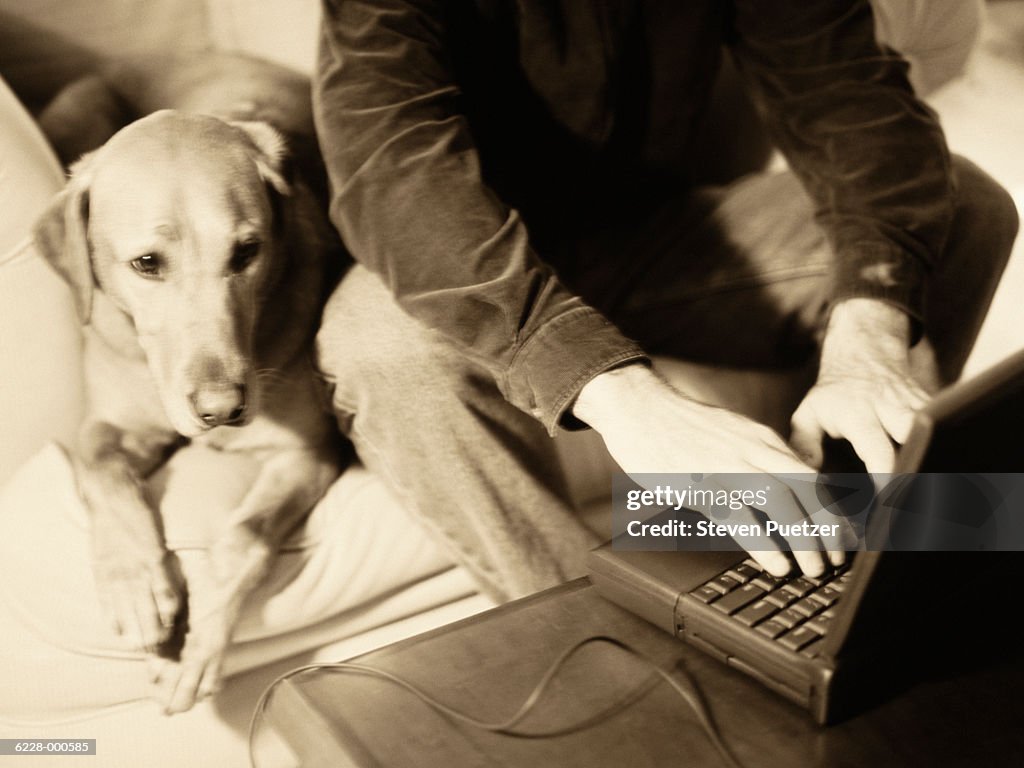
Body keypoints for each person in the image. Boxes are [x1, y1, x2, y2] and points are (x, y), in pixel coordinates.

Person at [311, 0, 1019, 599]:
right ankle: (589, 642)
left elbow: (848, 98)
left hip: (640, 238)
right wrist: (623, 397)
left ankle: (831, 570)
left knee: (966, 207)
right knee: (382, 349)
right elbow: (392, 171)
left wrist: (867, 337)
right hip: (456, 261)